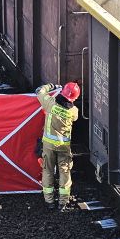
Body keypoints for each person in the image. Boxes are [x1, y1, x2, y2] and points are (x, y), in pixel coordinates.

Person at [37, 81, 80, 211]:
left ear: (63, 92)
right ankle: (63, 202)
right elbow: (75, 118)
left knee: (48, 170)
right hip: (63, 147)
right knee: (65, 172)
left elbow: (39, 91)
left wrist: (52, 87)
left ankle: (49, 201)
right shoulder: (73, 111)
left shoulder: (50, 104)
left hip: (48, 146)